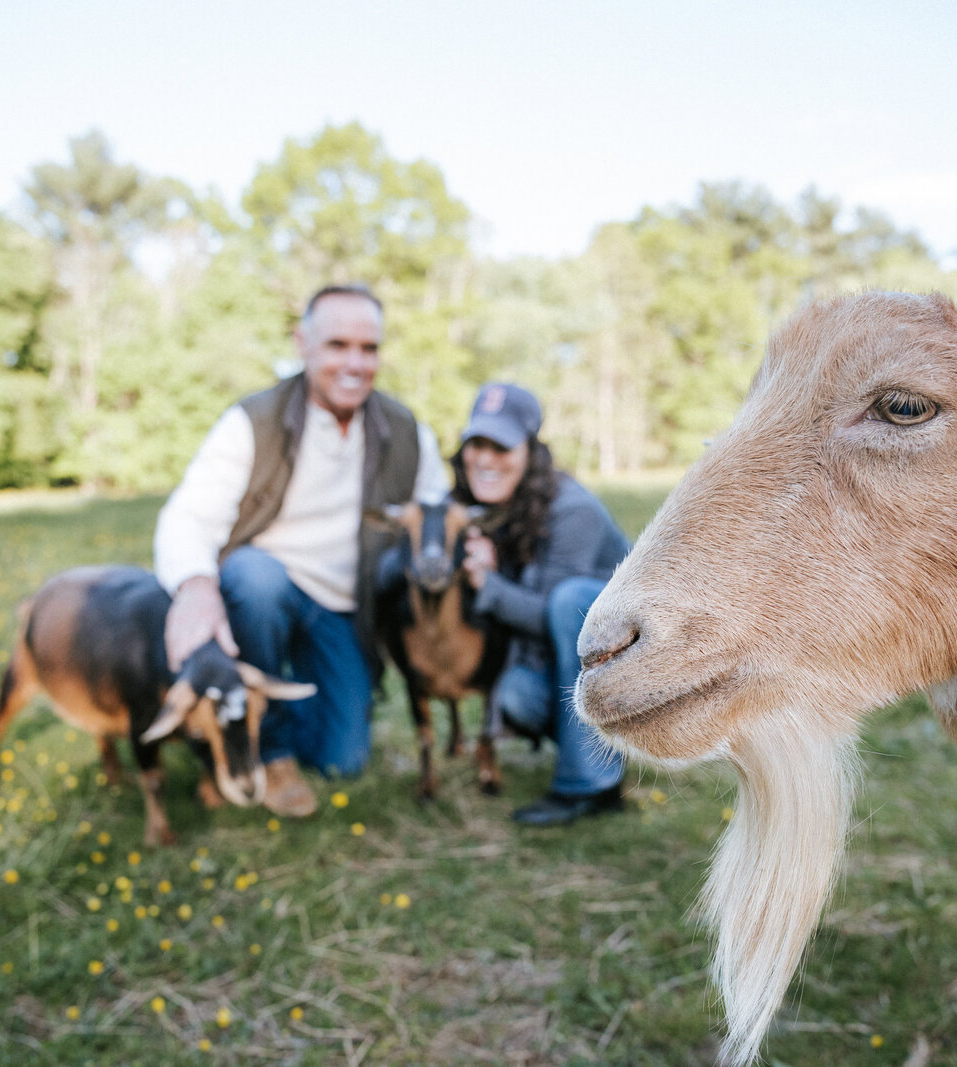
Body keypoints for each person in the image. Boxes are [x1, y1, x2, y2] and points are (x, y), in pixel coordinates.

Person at [153, 284, 448, 817]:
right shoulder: (253, 421)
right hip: (266, 588)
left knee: (344, 761)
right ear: (303, 343)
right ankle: (271, 750)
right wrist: (196, 587)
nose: (355, 363)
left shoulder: (406, 432)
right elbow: (188, 516)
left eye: (369, 348)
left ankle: (256, 722)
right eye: (338, 345)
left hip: (345, 606)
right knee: (254, 579)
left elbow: (437, 510)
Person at [454, 383, 630, 826]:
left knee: (569, 599)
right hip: (565, 661)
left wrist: (488, 584)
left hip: (628, 665)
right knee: (517, 696)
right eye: (477, 444)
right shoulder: (489, 508)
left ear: (530, 452)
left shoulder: (574, 512)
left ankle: (589, 783)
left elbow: (550, 618)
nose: (485, 458)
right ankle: (598, 750)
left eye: (502, 446)